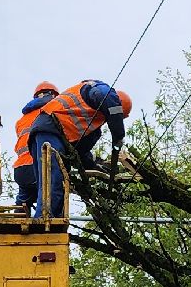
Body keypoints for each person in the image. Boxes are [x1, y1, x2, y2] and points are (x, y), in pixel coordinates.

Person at [25, 78, 133, 219]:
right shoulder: (102, 90)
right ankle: (45, 220)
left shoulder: (92, 123)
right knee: (52, 181)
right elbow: (107, 99)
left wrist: (97, 167)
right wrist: (118, 137)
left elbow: (81, 152)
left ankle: (51, 218)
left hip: (45, 131)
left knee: (54, 182)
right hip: (51, 130)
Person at [12, 81, 60, 214]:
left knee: (23, 202)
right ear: (53, 95)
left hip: (21, 169)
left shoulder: (21, 120)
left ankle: (16, 226)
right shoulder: (52, 111)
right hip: (39, 167)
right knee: (52, 197)